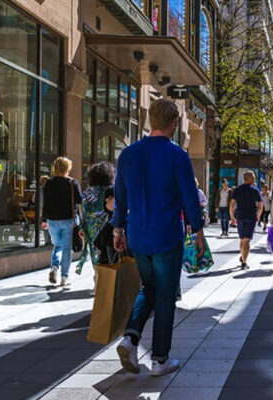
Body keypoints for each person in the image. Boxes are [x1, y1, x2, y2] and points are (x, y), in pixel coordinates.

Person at [112, 99, 205, 377]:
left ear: (151, 120)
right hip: (167, 235)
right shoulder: (177, 155)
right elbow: (190, 198)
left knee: (147, 288)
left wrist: (118, 229)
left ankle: (130, 337)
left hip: (138, 234)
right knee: (165, 295)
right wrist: (198, 231)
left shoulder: (128, 155)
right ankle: (160, 359)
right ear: (174, 124)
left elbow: (120, 197)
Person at [42, 157, 82, 287]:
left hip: (52, 220)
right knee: (66, 249)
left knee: (57, 246)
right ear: (67, 168)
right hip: (68, 220)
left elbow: (46, 203)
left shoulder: (48, 183)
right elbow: (80, 200)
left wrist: (44, 220)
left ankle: (54, 267)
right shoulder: (72, 183)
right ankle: (64, 278)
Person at [76, 162, 114, 276]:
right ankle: (105, 277)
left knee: (95, 251)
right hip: (107, 224)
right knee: (106, 251)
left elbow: (83, 211)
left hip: (91, 226)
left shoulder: (88, 192)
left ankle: (97, 276)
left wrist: (82, 227)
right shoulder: (110, 190)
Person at [229, 170, 263, 270]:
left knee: (242, 239)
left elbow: (231, 205)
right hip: (251, 216)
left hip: (240, 216)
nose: (255, 178)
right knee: (247, 240)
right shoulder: (255, 190)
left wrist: (232, 217)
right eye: (253, 177)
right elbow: (260, 205)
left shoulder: (237, 189)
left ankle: (243, 256)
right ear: (250, 178)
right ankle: (244, 262)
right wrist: (258, 215)